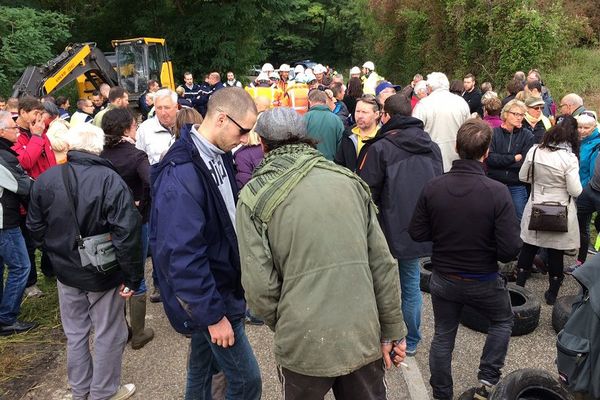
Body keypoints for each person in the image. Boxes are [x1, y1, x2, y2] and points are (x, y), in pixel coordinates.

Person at [236, 107, 407, 400]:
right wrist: (392, 330)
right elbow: (383, 264)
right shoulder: (350, 182)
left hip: (303, 342)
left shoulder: (253, 197)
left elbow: (259, 289)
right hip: (361, 334)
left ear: (262, 144)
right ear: (307, 139)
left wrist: (289, 322)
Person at [150, 87, 262, 400]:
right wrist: (213, 316)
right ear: (222, 119)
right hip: (215, 298)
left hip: (222, 287)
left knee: (201, 371)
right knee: (246, 381)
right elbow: (181, 254)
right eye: (243, 131)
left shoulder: (218, 155)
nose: (245, 139)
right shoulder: (183, 171)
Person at [26, 123, 142, 400]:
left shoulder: (46, 179)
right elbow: (127, 232)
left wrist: (57, 252)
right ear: (98, 147)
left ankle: (80, 391)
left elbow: (34, 226)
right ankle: (103, 392)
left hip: (67, 271)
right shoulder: (109, 179)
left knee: (76, 332)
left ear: (70, 146)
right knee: (108, 332)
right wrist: (132, 276)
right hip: (103, 271)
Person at [409, 119, 521, 400]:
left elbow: (417, 231)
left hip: (444, 277)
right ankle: (488, 377)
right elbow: (509, 250)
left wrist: (445, 233)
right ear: (486, 153)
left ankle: (442, 393)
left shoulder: (434, 187)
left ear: (457, 147)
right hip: (482, 278)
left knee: (444, 334)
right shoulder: (497, 192)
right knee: (503, 320)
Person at [358, 94, 443, 357]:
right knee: (411, 285)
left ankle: (381, 336)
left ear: (386, 116)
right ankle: (413, 340)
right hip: (419, 228)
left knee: (378, 284)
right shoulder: (433, 147)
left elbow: (365, 192)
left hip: (384, 229)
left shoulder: (379, 148)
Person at [101, 108, 154, 350]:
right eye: (134, 126)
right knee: (136, 274)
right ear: (126, 129)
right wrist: (141, 204)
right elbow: (151, 182)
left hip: (106, 224)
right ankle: (139, 333)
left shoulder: (99, 155)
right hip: (135, 223)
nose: (136, 129)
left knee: (116, 275)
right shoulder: (137, 156)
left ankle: (122, 331)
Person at [515, 116, 582, 305]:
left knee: (529, 246)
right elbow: (575, 190)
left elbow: (523, 177)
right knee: (556, 251)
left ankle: (519, 285)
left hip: (536, 204)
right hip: (559, 209)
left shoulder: (535, 151)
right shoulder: (569, 158)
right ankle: (552, 293)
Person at [13, 96, 56, 297]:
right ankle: (30, 283)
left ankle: (51, 270)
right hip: (26, 199)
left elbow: (51, 161)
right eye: (36, 114)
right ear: (22, 113)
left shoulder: (41, 133)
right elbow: (26, 163)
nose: (40, 119)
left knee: (52, 233)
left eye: (41, 114)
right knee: (29, 241)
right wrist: (36, 137)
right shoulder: (16, 136)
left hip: (47, 194)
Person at [0, 111, 37, 337]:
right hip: (5, 221)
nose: (17, 130)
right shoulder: (4, 157)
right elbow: (23, 186)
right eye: (13, 128)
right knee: (21, 266)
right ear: (1, 132)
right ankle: (6, 318)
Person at [486, 99, 535, 221]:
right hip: (494, 182)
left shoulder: (527, 136)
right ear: (506, 114)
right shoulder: (493, 133)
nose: (519, 118)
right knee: (490, 217)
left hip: (516, 184)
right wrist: (513, 158)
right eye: (516, 114)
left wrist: (502, 161)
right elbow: (490, 159)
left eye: (522, 115)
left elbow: (524, 164)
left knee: (518, 219)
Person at [412, 72, 471, 172]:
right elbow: (469, 131)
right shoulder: (461, 102)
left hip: (431, 161)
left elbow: (414, 134)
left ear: (429, 88)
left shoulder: (423, 105)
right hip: (457, 160)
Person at [570, 114, 600, 274]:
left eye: (586, 128)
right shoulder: (578, 140)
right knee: (581, 226)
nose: (581, 131)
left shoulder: (597, 144)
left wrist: (581, 189)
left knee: (590, 227)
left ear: (594, 127)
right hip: (583, 189)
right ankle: (580, 261)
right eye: (579, 127)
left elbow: (591, 170)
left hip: (588, 188)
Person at [335, 95, 381, 171]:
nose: (359, 116)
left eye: (364, 112)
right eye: (357, 111)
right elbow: (339, 163)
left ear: (376, 115)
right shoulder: (348, 134)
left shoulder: (382, 138)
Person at [305, 89, 344, 161]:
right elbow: (341, 146)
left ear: (309, 102)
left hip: (309, 164)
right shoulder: (337, 120)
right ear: (325, 102)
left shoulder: (305, 118)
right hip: (330, 164)